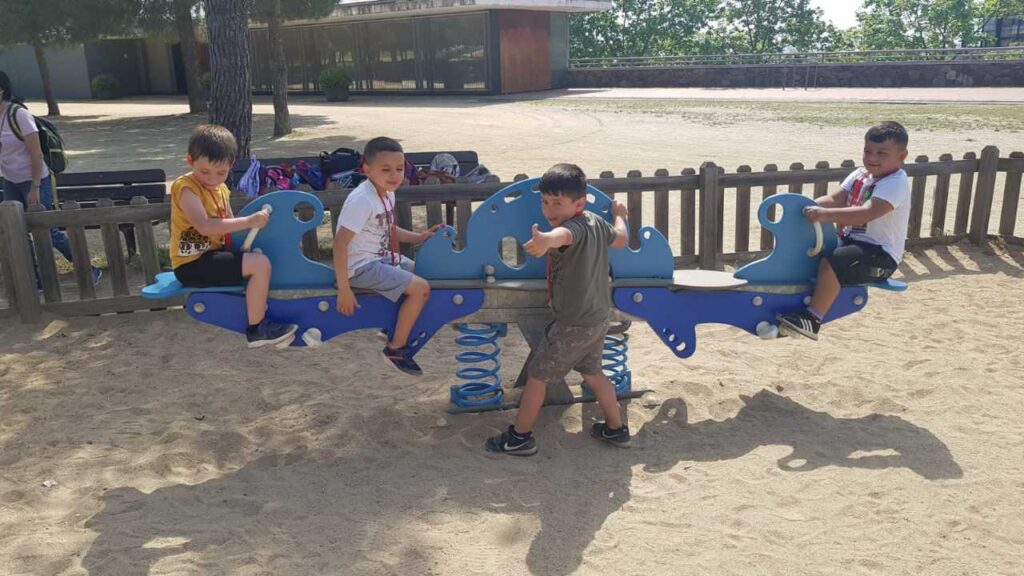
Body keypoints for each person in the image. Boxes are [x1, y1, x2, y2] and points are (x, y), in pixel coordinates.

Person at [486, 163, 631, 456]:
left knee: (538, 376)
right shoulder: (595, 221)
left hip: (573, 324)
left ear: (579, 204)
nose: (549, 209)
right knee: (594, 374)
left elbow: (562, 236)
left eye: (557, 203)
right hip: (597, 319)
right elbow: (621, 238)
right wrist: (620, 216)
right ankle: (616, 429)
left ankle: (520, 437)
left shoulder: (571, 228)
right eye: (545, 201)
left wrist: (545, 240)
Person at [778, 121, 911, 340]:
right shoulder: (861, 175)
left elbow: (867, 213)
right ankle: (789, 300)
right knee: (812, 251)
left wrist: (824, 215)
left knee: (837, 260)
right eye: (867, 151)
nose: (872, 158)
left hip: (880, 258)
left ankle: (812, 319)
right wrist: (804, 207)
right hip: (851, 244)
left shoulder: (895, 183)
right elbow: (835, 199)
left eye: (881, 153)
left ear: (902, 155)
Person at [170, 124, 297, 348]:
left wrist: (249, 231)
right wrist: (249, 221)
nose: (212, 178)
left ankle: (258, 306)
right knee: (260, 265)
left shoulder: (221, 190)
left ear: (231, 165)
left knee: (258, 259)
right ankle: (257, 329)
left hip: (212, 256)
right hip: (191, 265)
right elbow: (204, 226)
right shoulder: (186, 188)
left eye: (221, 173)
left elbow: (228, 224)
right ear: (190, 160)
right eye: (204, 172)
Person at [333, 137, 440, 376]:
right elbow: (340, 244)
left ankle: (390, 326)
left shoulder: (386, 193)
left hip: (378, 257)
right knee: (421, 288)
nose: (394, 175)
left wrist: (419, 237)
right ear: (367, 170)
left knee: (423, 271)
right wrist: (344, 289)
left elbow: (388, 228)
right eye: (386, 169)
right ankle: (395, 349)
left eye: (399, 169)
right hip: (359, 267)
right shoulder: (362, 200)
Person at [0, 71, 100, 288]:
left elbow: (36, 154)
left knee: (47, 229)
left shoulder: (18, 115)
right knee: (16, 230)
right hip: (10, 181)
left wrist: (35, 186)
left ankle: (88, 268)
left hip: (36, 179)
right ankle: (35, 280)